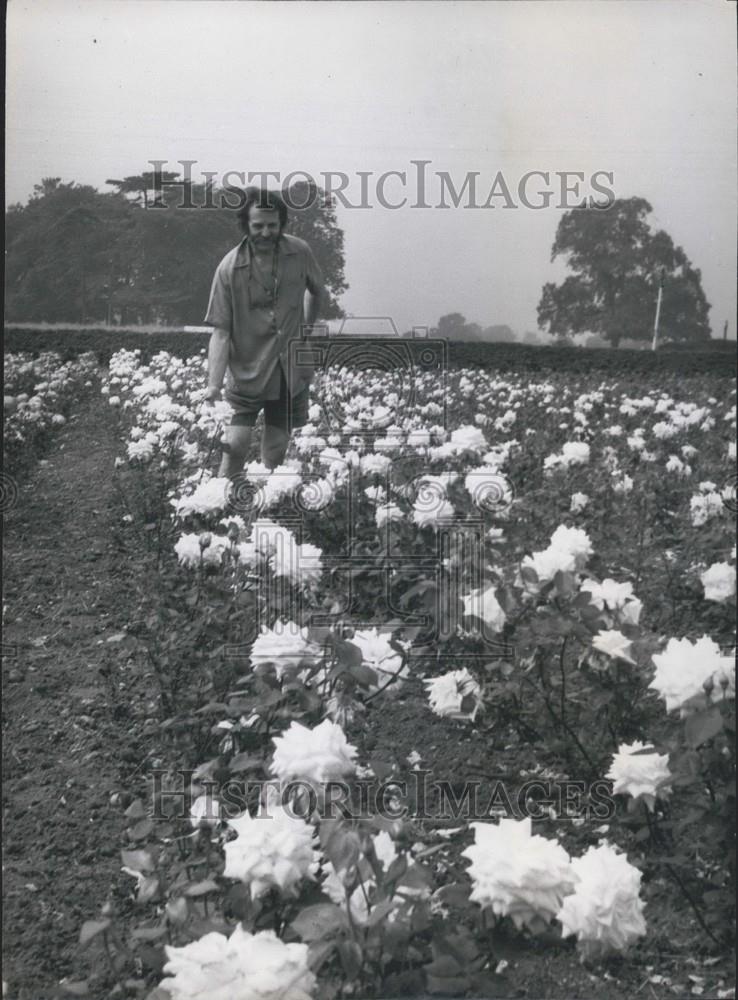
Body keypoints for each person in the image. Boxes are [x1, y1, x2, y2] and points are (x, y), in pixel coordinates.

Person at [203, 188, 326, 476]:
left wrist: (305, 332)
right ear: (246, 225)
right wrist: (213, 385)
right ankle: (224, 504)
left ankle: (266, 509)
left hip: (288, 372)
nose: (266, 232)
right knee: (235, 444)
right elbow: (220, 333)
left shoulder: (300, 252)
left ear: (283, 224)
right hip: (247, 370)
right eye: (258, 226)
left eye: (273, 225)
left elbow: (317, 291)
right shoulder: (229, 269)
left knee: (276, 449)